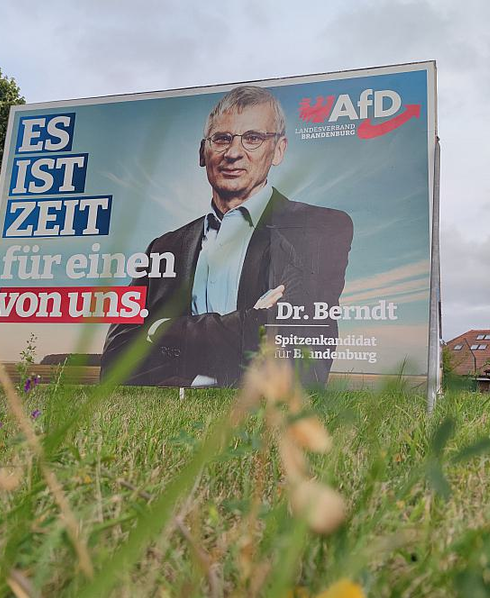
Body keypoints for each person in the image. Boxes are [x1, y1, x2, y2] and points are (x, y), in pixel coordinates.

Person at [101, 85, 353, 387]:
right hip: (174, 411)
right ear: (202, 152)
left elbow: (295, 338)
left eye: (253, 138)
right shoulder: (164, 247)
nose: (233, 153)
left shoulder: (318, 228)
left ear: (278, 150)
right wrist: (250, 320)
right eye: (221, 139)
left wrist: (158, 331)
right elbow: (116, 360)